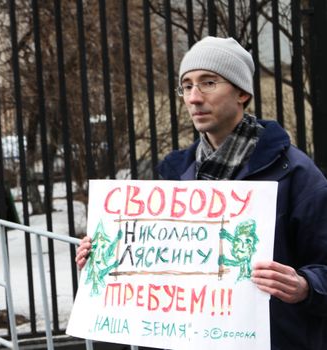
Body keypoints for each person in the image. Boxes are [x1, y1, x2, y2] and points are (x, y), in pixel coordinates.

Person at [76, 36, 327, 350]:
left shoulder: (296, 174)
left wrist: (305, 286)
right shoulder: (175, 179)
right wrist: (104, 257)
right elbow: (159, 265)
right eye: (187, 85)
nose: (194, 98)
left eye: (208, 83)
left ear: (242, 92)